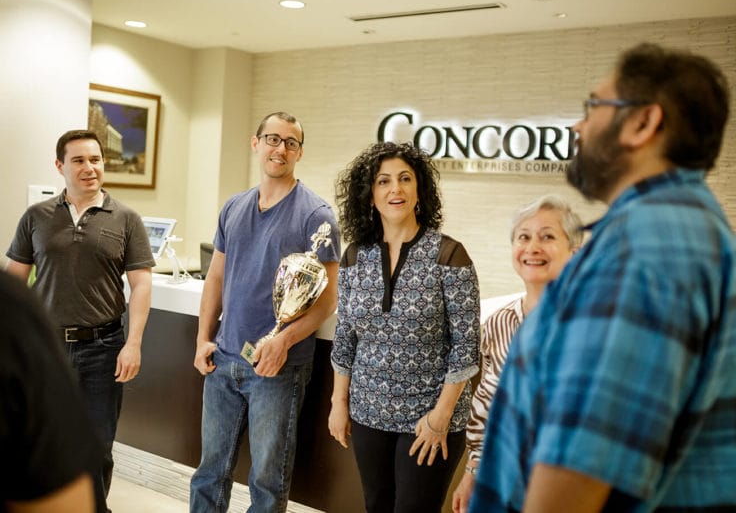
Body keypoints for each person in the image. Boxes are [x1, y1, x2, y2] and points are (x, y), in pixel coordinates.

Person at [470, 42, 736, 512]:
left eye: (593, 107)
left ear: (642, 123)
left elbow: (584, 461)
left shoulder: (646, 245)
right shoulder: (675, 226)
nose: (578, 126)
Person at [190, 111, 340, 513]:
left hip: (278, 368)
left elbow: (327, 299)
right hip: (224, 360)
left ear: (300, 153)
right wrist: (204, 337)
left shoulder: (316, 216)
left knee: (267, 482)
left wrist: (284, 341)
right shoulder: (234, 207)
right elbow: (216, 278)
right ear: (256, 144)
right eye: (273, 139)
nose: (281, 149)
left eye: (290, 143)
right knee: (209, 472)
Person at [5, 129, 154, 511]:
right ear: (60, 166)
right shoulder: (36, 217)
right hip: (46, 350)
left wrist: (133, 343)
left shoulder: (126, 219)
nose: (90, 168)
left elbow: (140, 285)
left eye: (96, 160)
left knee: (98, 447)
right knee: (41, 443)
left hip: (102, 348)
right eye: (79, 160)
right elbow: (14, 283)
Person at [329, 141, 480, 513]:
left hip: (429, 418)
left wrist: (441, 417)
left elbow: (466, 346)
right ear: (369, 196)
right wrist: (339, 403)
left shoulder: (449, 254)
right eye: (383, 181)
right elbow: (345, 338)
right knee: (376, 505)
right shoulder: (353, 257)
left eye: (404, 179)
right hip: (368, 413)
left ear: (419, 191)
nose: (394, 189)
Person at [451, 195, 582, 513]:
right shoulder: (499, 323)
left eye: (547, 236)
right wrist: (471, 472)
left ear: (575, 253)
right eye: (524, 237)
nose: (533, 247)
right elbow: (485, 406)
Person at [0, 269, 104, 513]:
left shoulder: (9, 317)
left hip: (101, 344)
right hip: (54, 334)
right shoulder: (10, 312)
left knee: (103, 439)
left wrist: (133, 343)